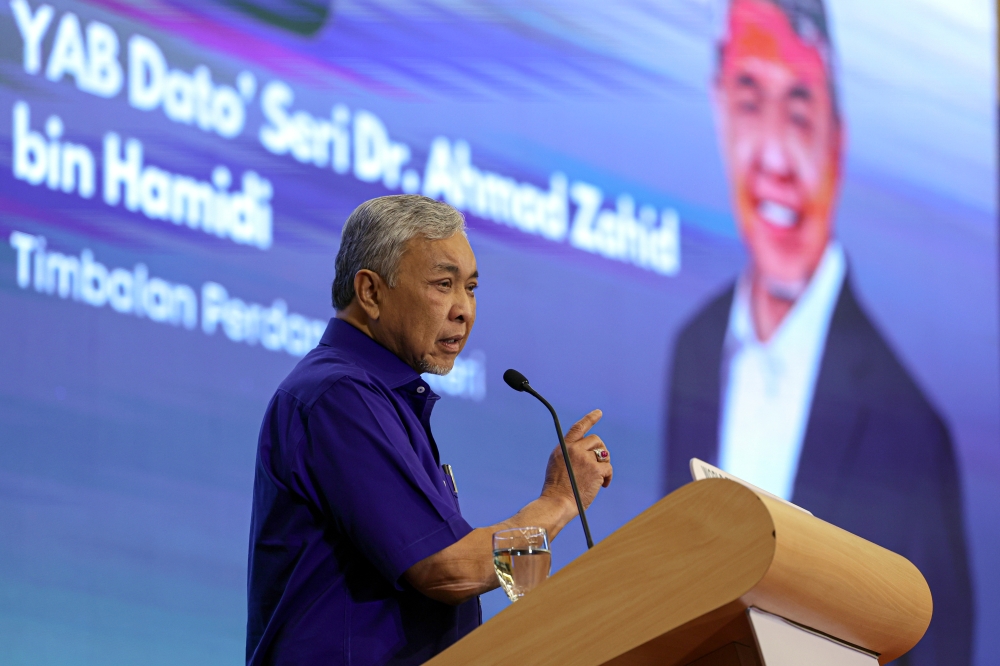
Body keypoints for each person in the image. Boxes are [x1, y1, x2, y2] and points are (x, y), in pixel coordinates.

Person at [663, 1, 972, 664]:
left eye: (800, 110)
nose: (774, 154)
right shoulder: (694, 353)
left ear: (838, 137)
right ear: (719, 109)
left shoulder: (912, 431)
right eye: (750, 100)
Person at [246, 195, 613, 665]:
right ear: (371, 292)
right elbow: (449, 570)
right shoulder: (339, 395)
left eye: (471, 288)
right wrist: (559, 501)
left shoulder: (379, 396)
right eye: (444, 284)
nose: (465, 310)